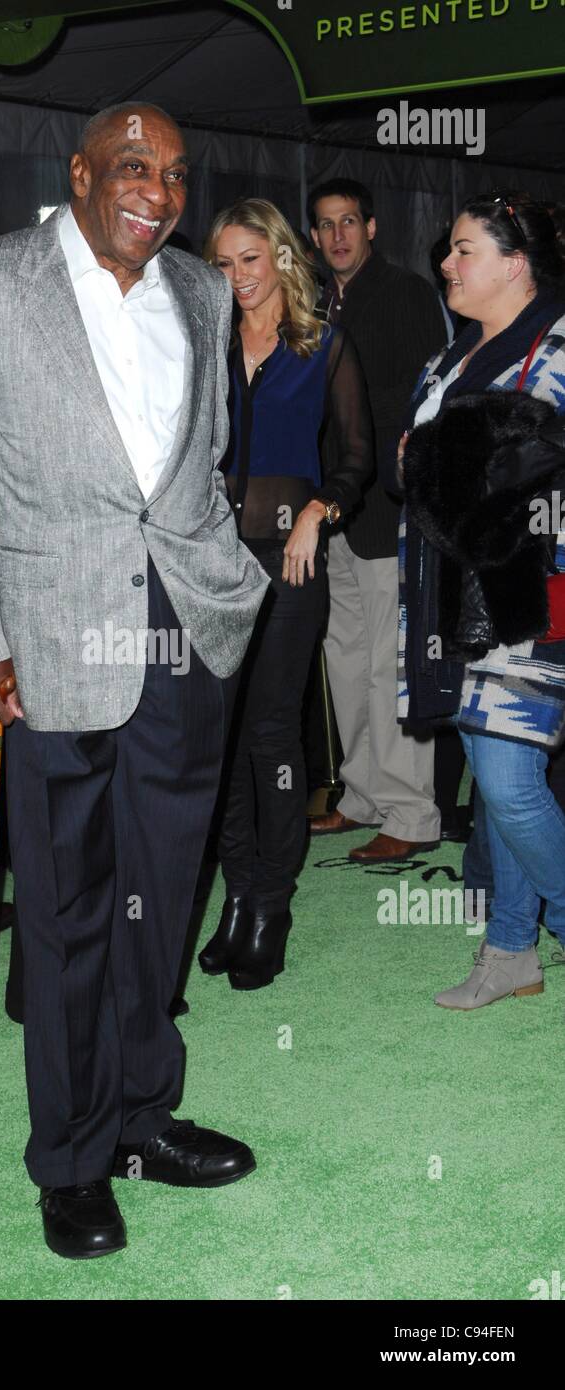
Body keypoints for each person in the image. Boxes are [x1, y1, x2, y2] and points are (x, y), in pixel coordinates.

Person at [0, 104, 270, 1260]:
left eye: (175, 174)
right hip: (51, 644)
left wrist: (223, 577)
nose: (158, 191)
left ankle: (139, 1120)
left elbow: (203, 459)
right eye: (134, 168)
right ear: (78, 175)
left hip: (181, 637)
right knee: (68, 915)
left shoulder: (202, 292)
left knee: (162, 896)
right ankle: (69, 1159)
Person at [198, 198, 372, 988]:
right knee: (222, 735)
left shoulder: (321, 345)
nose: (237, 278)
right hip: (211, 562)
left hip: (290, 563)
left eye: (250, 260)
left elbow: (358, 459)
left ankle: (271, 903)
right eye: (224, 264)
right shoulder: (205, 345)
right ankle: (237, 894)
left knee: (271, 733)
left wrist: (316, 510)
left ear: (279, 258)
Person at [399, 192, 565, 1008]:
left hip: (531, 589)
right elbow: (431, 459)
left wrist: (436, 456)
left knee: (506, 779)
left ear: (515, 263)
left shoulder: (559, 339)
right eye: (449, 250)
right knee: (490, 772)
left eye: (464, 250)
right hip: (453, 591)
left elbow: (531, 453)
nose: (446, 264)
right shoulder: (455, 353)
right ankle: (508, 953)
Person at [307, 179, 445, 862]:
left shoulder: (407, 294)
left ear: (371, 228)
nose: (337, 236)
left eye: (348, 223)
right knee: (343, 660)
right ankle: (361, 795)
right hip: (330, 509)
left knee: (391, 663)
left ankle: (412, 813)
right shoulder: (312, 302)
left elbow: (423, 398)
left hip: (387, 508)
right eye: (325, 226)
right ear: (313, 237)